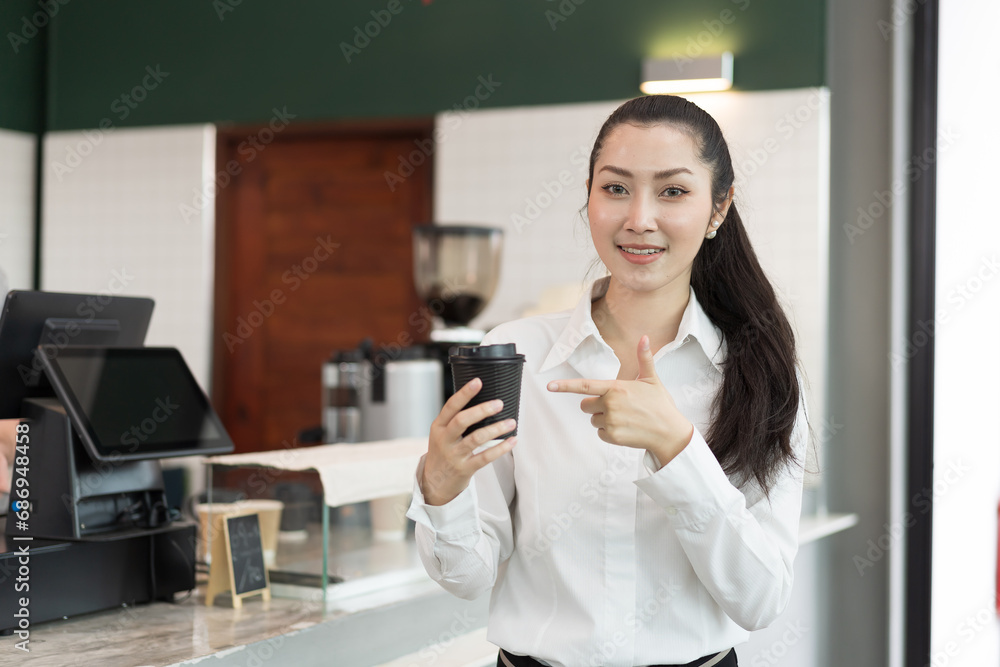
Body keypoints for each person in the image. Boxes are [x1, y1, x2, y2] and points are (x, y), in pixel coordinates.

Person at [407, 94, 811, 667]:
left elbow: (760, 598)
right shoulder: (518, 352)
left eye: (673, 190)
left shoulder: (759, 370)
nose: (638, 218)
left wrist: (676, 448)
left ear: (719, 209)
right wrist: (441, 490)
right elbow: (468, 576)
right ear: (589, 197)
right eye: (616, 188)